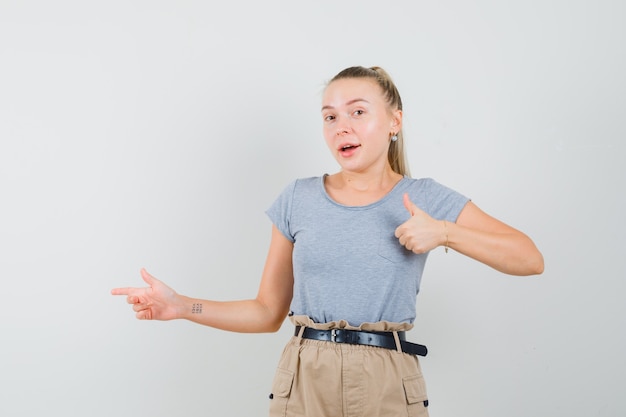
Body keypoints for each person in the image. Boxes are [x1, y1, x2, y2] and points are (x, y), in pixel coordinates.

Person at [111, 66, 544, 417]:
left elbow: (529, 257)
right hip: (304, 378)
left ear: (394, 121)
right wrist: (182, 306)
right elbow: (266, 312)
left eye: (358, 112)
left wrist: (445, 232)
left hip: (387, 380)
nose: (342, 126)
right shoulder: (298, 198)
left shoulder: (425, 198)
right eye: (330, 116)